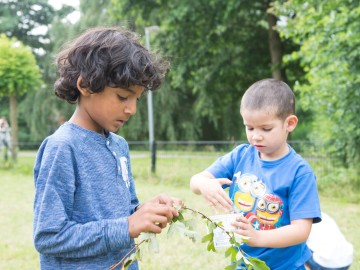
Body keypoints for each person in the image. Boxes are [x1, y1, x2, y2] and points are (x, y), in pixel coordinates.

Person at [33, 27, 182, 270]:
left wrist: (146, 210)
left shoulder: (119, 145)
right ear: (85, 85)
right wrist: (127, 227)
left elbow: (125, 211)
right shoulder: (62, 147)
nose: (131, 109)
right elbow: (49, 237)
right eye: (123, 97)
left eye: (137, 99)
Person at [190, 78, 322, 269]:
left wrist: (258, 237)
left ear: (290, 124)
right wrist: (204, 184)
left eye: (266, 129)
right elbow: (195, 181)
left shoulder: (300, 172)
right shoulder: (240, 156)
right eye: (249, 128)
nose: (255, 136)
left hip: (286, 266)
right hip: (244, 263)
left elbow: (301, 230)